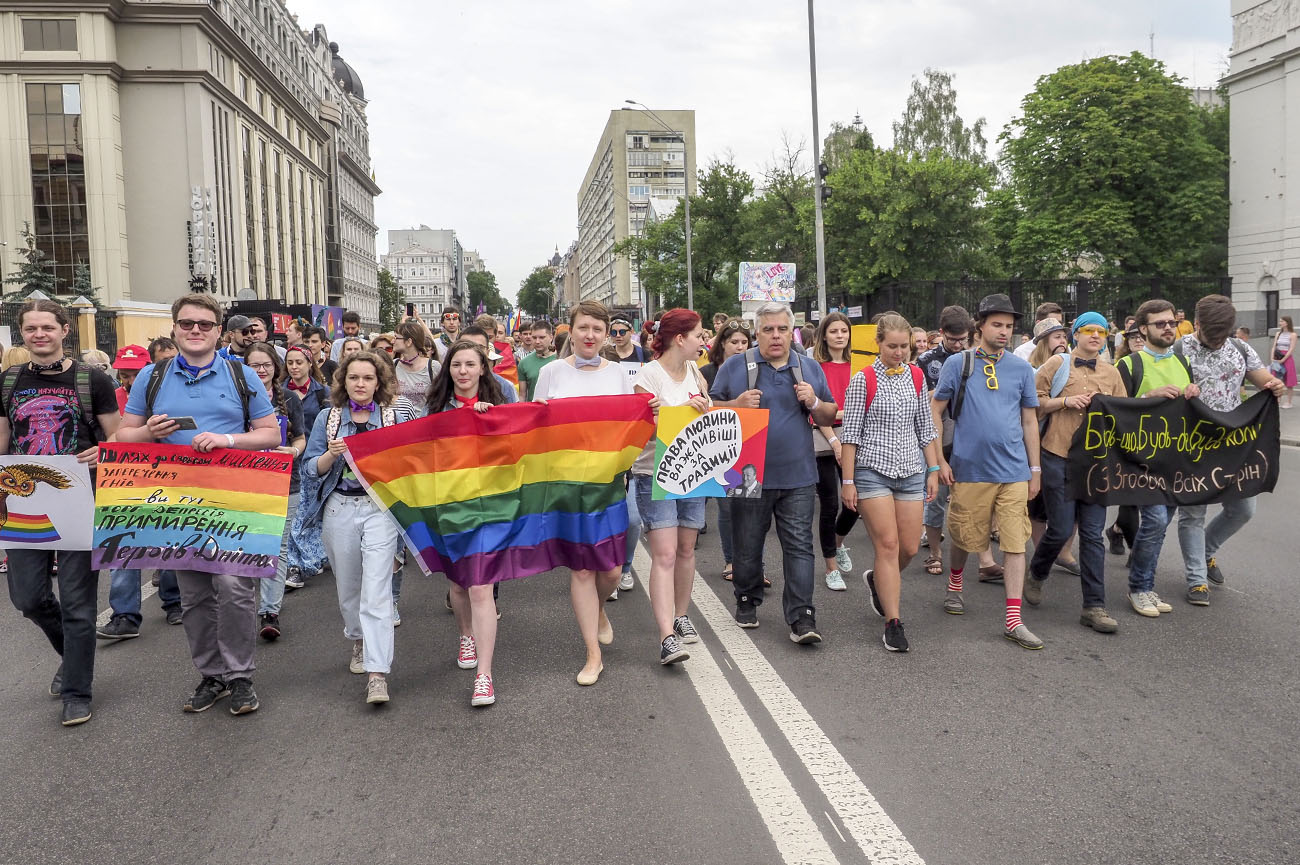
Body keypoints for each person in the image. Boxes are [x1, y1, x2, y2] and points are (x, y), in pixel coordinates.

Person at [118, 293, 280, 716]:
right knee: (193, 595)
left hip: (231, 495)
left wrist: (228, 439)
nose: (195, 330)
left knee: (234, 587)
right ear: (174, 328)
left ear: (217, 331)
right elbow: (124, 437)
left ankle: (240, 675)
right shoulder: (151, 378)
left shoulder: (240, 374)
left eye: (204, 324)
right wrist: (148, 432)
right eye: (187, 323)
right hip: (175, 500)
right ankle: (212, 675)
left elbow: (270, 434)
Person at [0, 299, 120, 726]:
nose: (39, 334)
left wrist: (101, 452)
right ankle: (73, 657)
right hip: (24, 501)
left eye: (47, 327)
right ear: (23, 333)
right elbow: (3, 443)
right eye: (30, 328)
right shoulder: (9, 379)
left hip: (78, 498)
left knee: (77, 603)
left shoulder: (93, 379)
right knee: (28, 598)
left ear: (64, 330)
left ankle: (77, 690)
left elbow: (119, 439)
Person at [710, 301, 836, 643]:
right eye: (768, 329)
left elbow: (828, 415)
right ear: (757, 332)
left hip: (797, 474)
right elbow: (707, 411)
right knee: (747, 545)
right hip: (746, 472)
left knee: (799, 546)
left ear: (791, 331)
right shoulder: (736, 366)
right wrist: (734, 405)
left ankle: (802, 617)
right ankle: (747, 598)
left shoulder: (808, 368)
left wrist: (813, 402)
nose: (776, 336)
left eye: (782, 329)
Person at [301, 351, 416, 705]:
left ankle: (377, 673)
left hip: (380, 509)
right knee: (348, 589)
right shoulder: (329, 418)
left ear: (378, 382)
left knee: (377, 591)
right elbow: (309, 470)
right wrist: (331, 454)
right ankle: (358, 639)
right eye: (354, 378)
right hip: (339, 508)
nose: (361, 384)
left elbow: (416, 459)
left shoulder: (393, 416)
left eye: (368, 378)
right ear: (343, 382)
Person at [930, 293, 1044, 650]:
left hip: (1013, 471)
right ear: (980, 326)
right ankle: (955, 583)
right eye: (997, 324)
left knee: (1014, 541)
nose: (1004, 332)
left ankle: (1013, 618)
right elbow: (935, 411)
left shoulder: (1022, 369)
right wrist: (940, 461)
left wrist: (1034, 468)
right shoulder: (958, 364)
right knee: (965, 535)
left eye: (1009, 326)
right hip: (970, 469)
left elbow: (1029, 421)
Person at [532, 300, 630, 685]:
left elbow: (630, 426)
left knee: (612, 569)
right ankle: (593, 653)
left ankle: (600, 608)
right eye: (583, 327)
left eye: (598, 329)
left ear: (606, 336)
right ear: (570, 331)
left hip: (607, 484)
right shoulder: (552, 373)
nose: (590, 335)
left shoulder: (620, 374)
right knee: (582, 568)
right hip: (566, 484)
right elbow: (535, 429)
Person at [839, 313, 940, 652]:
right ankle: (893, 623)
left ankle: (879, 581)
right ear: (878, 344)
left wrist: (933, 470)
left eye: (904, 347)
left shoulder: (916, 376)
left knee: (910, 547)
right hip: (872, 471)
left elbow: (925, 429)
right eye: (892, 346)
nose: (899, 353)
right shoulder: (863, 379)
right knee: (888, 545)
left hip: (911, 471)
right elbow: (850, 435)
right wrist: (848, 481)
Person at [1175, 295, 1285, 606]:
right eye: (1213, 335)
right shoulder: (1179, 349)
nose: (1218, 340)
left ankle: (1207, 552)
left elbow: (1263, 379)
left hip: (1233, 444)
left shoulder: (1239, 347)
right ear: (1197, 324)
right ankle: (1196, 580)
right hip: (1193, 443)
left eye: (1223, 334)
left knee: (1243, 510)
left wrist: (1273, 385)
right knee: (1193, 512)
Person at [1023, 312, 1126, 634]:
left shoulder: (1112, 372)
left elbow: (1124, 414)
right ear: (1075, 335)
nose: (1095, 336)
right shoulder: (1056, 365)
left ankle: (1094, 606)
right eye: (1088, 330)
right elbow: (1034, 404)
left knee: (1093, 534)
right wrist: (1067, 401)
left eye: (1101, 331)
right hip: (1057, 454)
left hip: (1097, 461)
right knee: (1061, 528)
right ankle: (1037, 572)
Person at [426, 340, 510, 706]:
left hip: (491, 504)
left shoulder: (499, 405)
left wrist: (489, 421)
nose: (462, 371)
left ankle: (485, 677)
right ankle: (465, 634)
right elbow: (423, 449)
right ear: (449, 370)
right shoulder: (435, 408)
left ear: (482, 369)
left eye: (469, 364)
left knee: (481, 588)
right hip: (450, 504)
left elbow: (515, 449)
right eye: (456, 364)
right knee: (459, 584)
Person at [630, 309, 711, 666]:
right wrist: (677, 411)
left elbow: (708, 417)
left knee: (686, 549)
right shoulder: (648, 376)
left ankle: (681, 614)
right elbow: (644, 427)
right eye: (699, 336)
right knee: (663, 553)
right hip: (656, 471)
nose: (704, 342)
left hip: (694, 469)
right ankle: (666, 636)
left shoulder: (696, 372)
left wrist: (704, 409)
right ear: (680, 339)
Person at [98, 342, 184, 641]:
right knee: (122, 545)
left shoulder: (167, 393)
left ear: (148, 371)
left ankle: (174, 601)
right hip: (125, 480)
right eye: (124, 373)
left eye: (135, 373)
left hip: (169, 476)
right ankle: (124, 615)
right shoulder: (114, 396)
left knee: (170, 542)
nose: (129, 380)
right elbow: (109, 435)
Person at [1115, 300, 1195, 617]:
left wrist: (1194, 395)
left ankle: (1145, 581)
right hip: (1141, 461)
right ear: (1143, 329)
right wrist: (1148, 397)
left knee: (1160, 526)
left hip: (1176, 461)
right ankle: (1139, 588)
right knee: (1156, 520)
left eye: (1171, 323)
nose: (1167, 328)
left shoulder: (1183, 362)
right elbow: (1115, 410)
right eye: (1159, 323)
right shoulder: (1130, 365)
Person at [918, 307, 1001, 580]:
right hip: (938, 433)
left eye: (962, 339)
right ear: (941, 333)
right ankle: (935, 552)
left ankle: (984, 559)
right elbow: (923, 401)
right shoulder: (926, 360)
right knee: (937, 498)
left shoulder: (976, 358)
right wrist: (939, 391)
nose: (957, 344)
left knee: (976, 497)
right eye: (952, 339)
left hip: (969, 432)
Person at [243, 343, 306, 641]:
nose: (261, 370)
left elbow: (302, 439)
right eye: (255, 365)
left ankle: (269, 611)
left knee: (277, 547)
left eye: (266, 364)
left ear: (275, 367)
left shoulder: (290, 398)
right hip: (247, 482)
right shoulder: (236, 399)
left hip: (285, 482)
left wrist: (292, 451)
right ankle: (242, 608)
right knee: (249, 545)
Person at [698, 319, 754, 581]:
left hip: (750, 443)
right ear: (722, 343)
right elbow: (706, 407)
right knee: (727, 505)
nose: (740, 347)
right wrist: (735, 404)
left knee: (750, 507)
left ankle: (754, 563)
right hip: (719, 445)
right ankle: (731, 560)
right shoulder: (708, 372)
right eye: (734, 342)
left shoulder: (754, 369)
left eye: (744, 342)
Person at [810, 312, 858, 591]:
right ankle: (830, 566)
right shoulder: (816, 366)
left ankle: (838, 543)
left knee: (856, 502)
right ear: (824, 336)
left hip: (855, 436)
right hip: (822, 437)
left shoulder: (859, 364)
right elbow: (815, 411)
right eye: (834, 331)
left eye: (844, 331)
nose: (840, 335)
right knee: (829, 504)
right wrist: (835, 442)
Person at [1104, 327, 1146, 556]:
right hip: (1129, 437)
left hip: (1158, 439)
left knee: (1145, 499)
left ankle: (1117, 529)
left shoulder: (1163, 361)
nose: (1138, 340)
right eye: (1133, 337)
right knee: (1133, 496)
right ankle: (1137, 552)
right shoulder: (1125, 365)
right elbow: (1120, 404)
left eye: (1142, 336)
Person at [392, 320, 441, 415]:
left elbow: (442, 396)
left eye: (396, 337)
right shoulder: (393, 365)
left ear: (408, 342)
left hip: (425, 424)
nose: (392, 341)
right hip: (400, 424)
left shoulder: (433, 366)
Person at [517, 320, 557, 401]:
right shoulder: (524, 363)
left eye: (542, 337)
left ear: (551, 337)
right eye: (534, 337)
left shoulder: (561, 359)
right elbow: (522, 395)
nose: (537, 341)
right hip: (534, 411)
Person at [110, 344, 149, 415]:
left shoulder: (162, 395)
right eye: (125, 376)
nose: (132, 382)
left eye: (138, 375)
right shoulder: (113, 398)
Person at [1270, 315, 1295, 409]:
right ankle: (1277, 400)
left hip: (1287, 359)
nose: (1280, 323)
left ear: (1287, 322)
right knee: (1277, 379)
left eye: (1282, 321)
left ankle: (1289, 402)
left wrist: (1283, 360)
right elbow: (1274, 346)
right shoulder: (1278, 333)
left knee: (1289, 381)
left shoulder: (1293, 334)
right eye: (1280, 321)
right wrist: (1272, 357)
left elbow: (1291, 349)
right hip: (1277, 357)